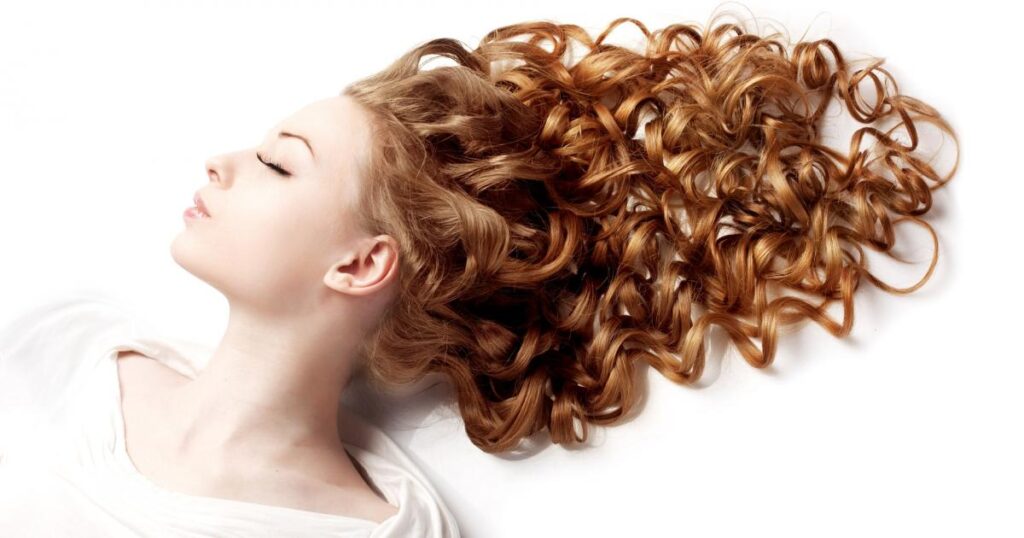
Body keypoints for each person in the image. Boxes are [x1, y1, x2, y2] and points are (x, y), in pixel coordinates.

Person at [0, 11, 958, 536]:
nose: (219, 161)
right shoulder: (69, 350)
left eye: (278, 161)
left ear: (362, 262)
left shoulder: (379, 531)